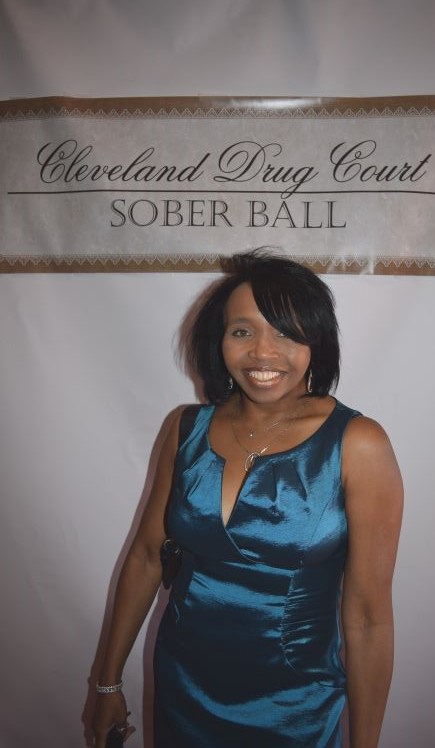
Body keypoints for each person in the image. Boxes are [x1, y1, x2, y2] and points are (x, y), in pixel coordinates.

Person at [91, 249, 403, 748]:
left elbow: (368, 619)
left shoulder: (358, 444)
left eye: (286, 332)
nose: (263, 352)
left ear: (316, 341)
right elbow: (147, 557)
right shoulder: (185, 428)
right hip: (183, 687)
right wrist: (106, 683)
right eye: (242, 331)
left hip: (297, 706)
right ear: (219, 341)